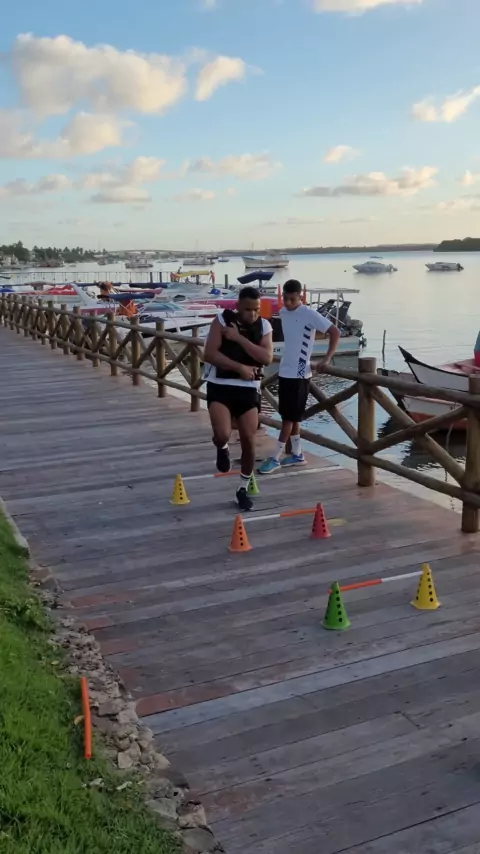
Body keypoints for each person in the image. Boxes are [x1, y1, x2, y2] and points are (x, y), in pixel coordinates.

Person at [258, 279, 340, 474]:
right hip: (285, 371)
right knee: (291, 416)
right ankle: (297, 454)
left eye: (292, 299)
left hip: (300, 374)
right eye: (285, 299)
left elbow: (334, 332)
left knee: (288, 418)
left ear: (300, 297)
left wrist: (326, 359)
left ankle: (275, 457)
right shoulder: (284, 312)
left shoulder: (309, 314)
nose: (288, 303)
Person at [203, 286, 273, 510]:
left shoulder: (264, 326)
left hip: (248, 389)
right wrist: (240, 367)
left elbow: (267, 357)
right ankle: (222, 446)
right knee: (222, 433)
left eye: (256, 309)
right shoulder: (221, 321)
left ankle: (242, 489)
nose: (252, 314)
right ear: (237, 306)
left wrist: (239, 338)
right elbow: (210, 354)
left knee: (248, 440)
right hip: (220, 386)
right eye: (247, 309)